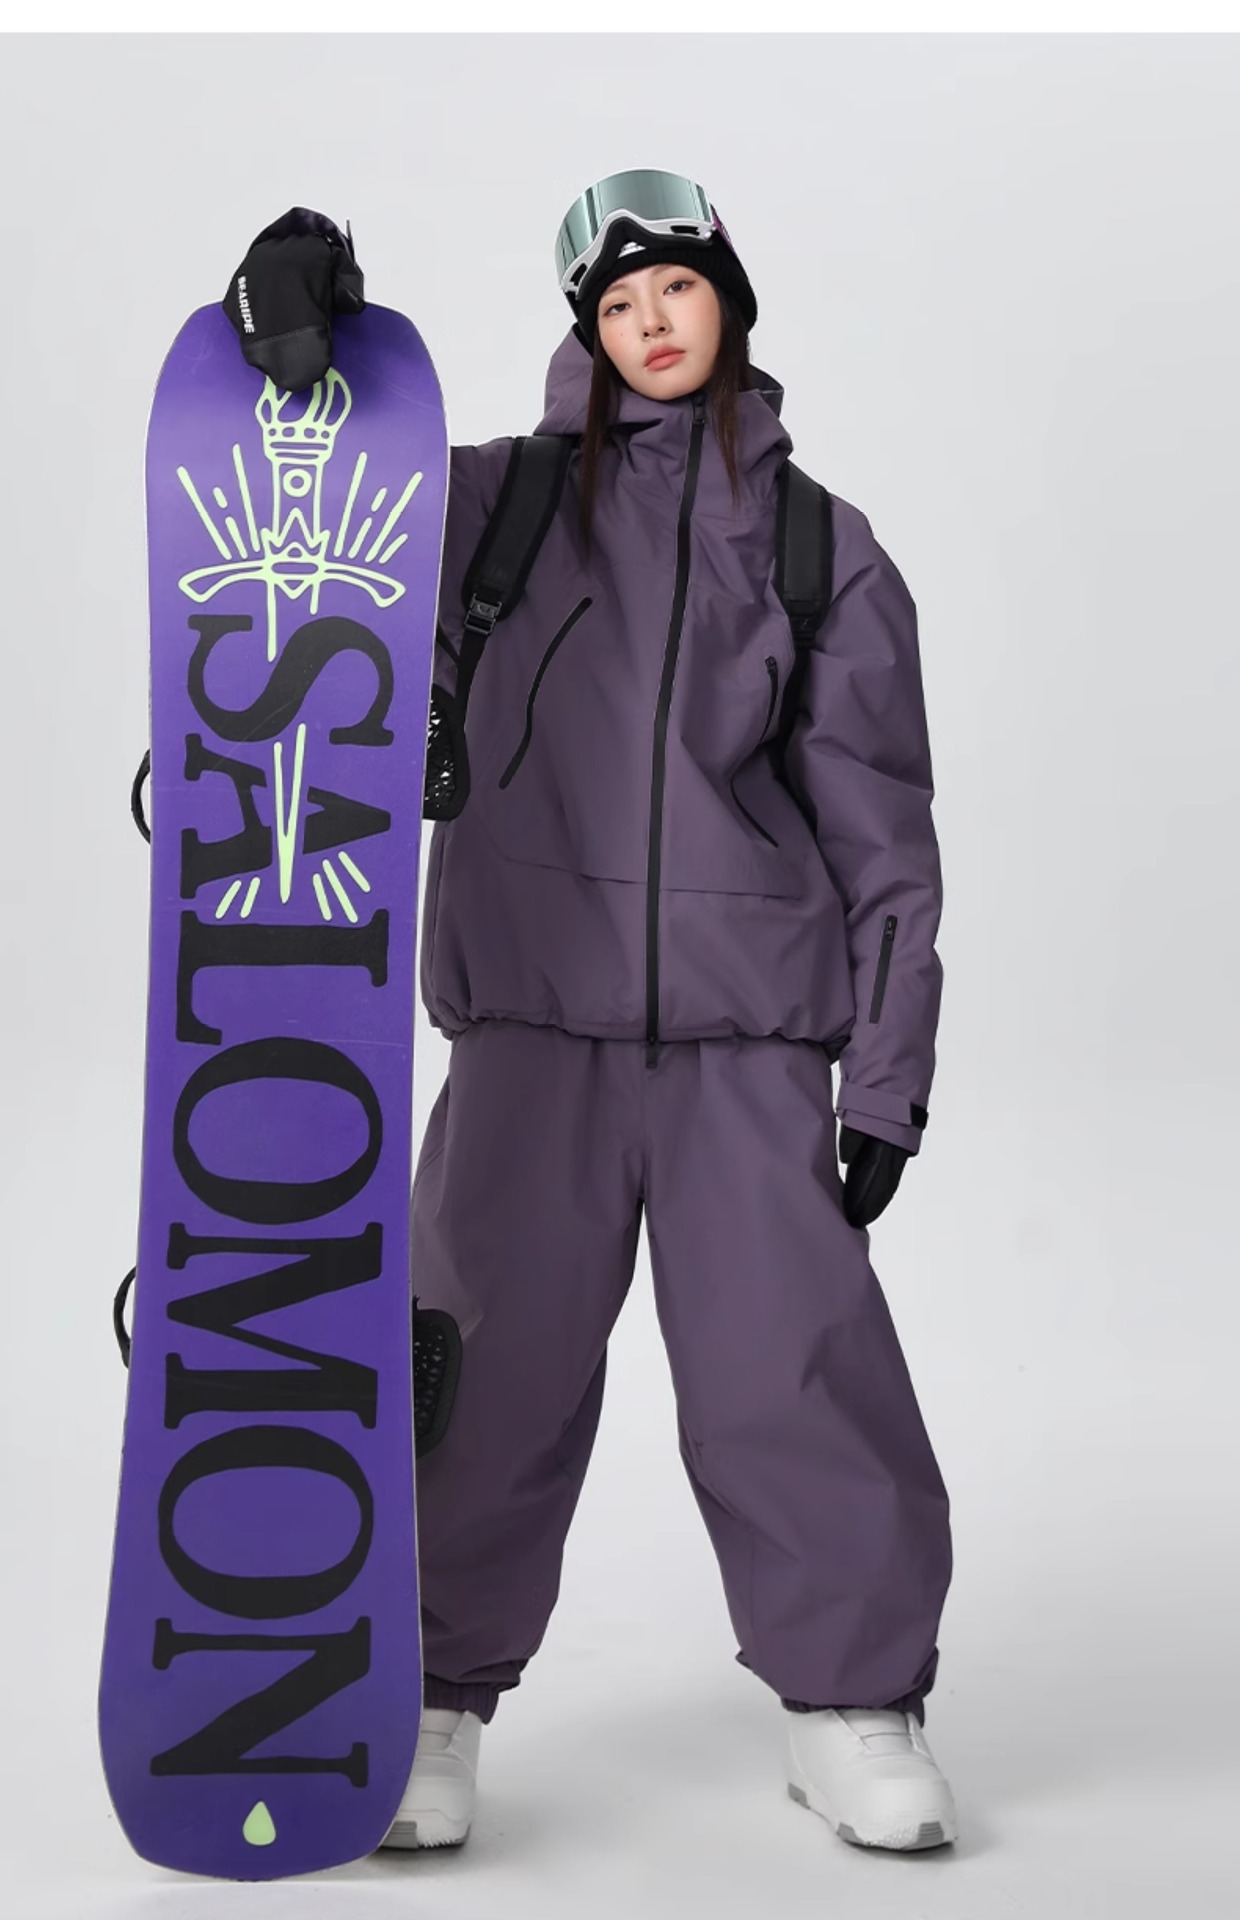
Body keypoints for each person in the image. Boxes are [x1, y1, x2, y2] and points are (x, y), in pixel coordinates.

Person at [223, 169, 957, 1857]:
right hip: (529, 1033)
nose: (651, 321)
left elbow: (885, 832)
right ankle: (425, 1696)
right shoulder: (495, 504)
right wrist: (312, 330)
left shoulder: (820, 548)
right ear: (588, 333)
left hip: (745, 1048)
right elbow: (319, 519)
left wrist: (886, 1079)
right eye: (618, 304)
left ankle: (854, 1708)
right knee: (475, 1373)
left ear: (728, 301)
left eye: (677, 288)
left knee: (795, 1373)